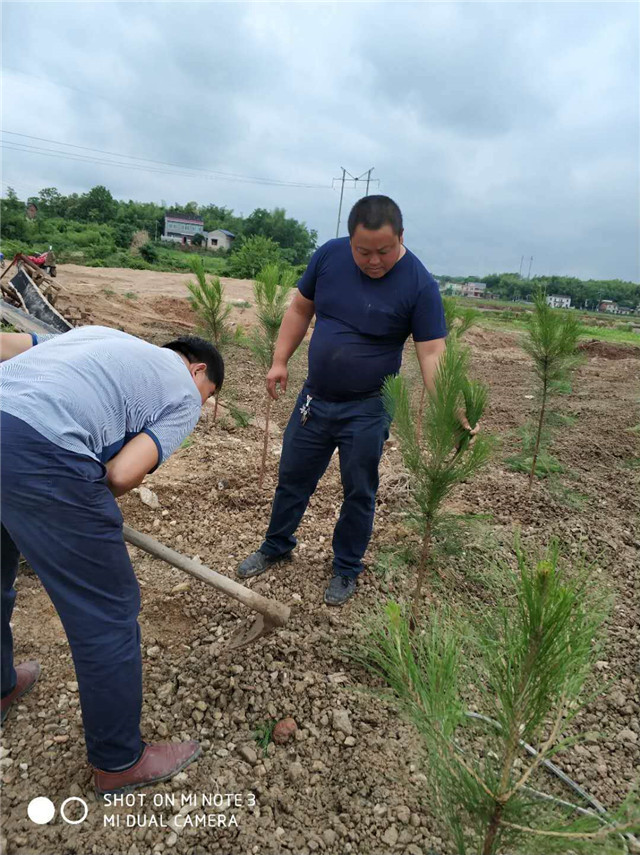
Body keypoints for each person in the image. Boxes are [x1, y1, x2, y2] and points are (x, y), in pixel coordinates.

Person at [0, 327, 223, 794]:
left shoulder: (96, 335)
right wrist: (76, 501)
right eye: (208, 396)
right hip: (42, 450)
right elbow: (122, 473)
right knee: (106, 612)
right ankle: (120, 761)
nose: (202, 404)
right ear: (198, 370)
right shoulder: (185, 392)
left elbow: (8, 345)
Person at [238, 195, 464, 605]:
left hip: (368, 407)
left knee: (359, 490)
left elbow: (432, 352)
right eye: (363, 252)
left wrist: (449, 406)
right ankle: (276, 545)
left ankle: (346, 567)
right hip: (315, 398)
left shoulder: (419, 284)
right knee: (293, 476)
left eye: (384, 251)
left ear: (401, 237)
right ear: (350, 240)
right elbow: (300, 309)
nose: (374, 261)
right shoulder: (329, 257)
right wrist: (279, 360)